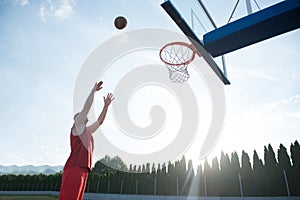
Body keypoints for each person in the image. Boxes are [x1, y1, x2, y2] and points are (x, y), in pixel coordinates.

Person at [59, 81, 114, 200]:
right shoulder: (77, 127)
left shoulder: (87, 131)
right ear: (78, 119)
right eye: (82, 115)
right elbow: (86, 108)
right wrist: (93, 91)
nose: (85, 116)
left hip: (84, 169)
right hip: (74, 167)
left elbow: (100, 122)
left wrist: (106, 106)